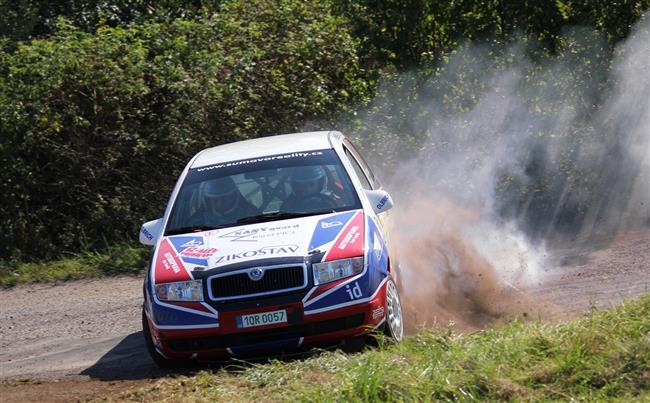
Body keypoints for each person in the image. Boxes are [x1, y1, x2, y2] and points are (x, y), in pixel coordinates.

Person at [189, 176, 258, 226]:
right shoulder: (197, 221)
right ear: (208, 200)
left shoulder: (252, 215)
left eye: (224, 199)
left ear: (234, 197)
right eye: (215, 200)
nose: (220, 203)